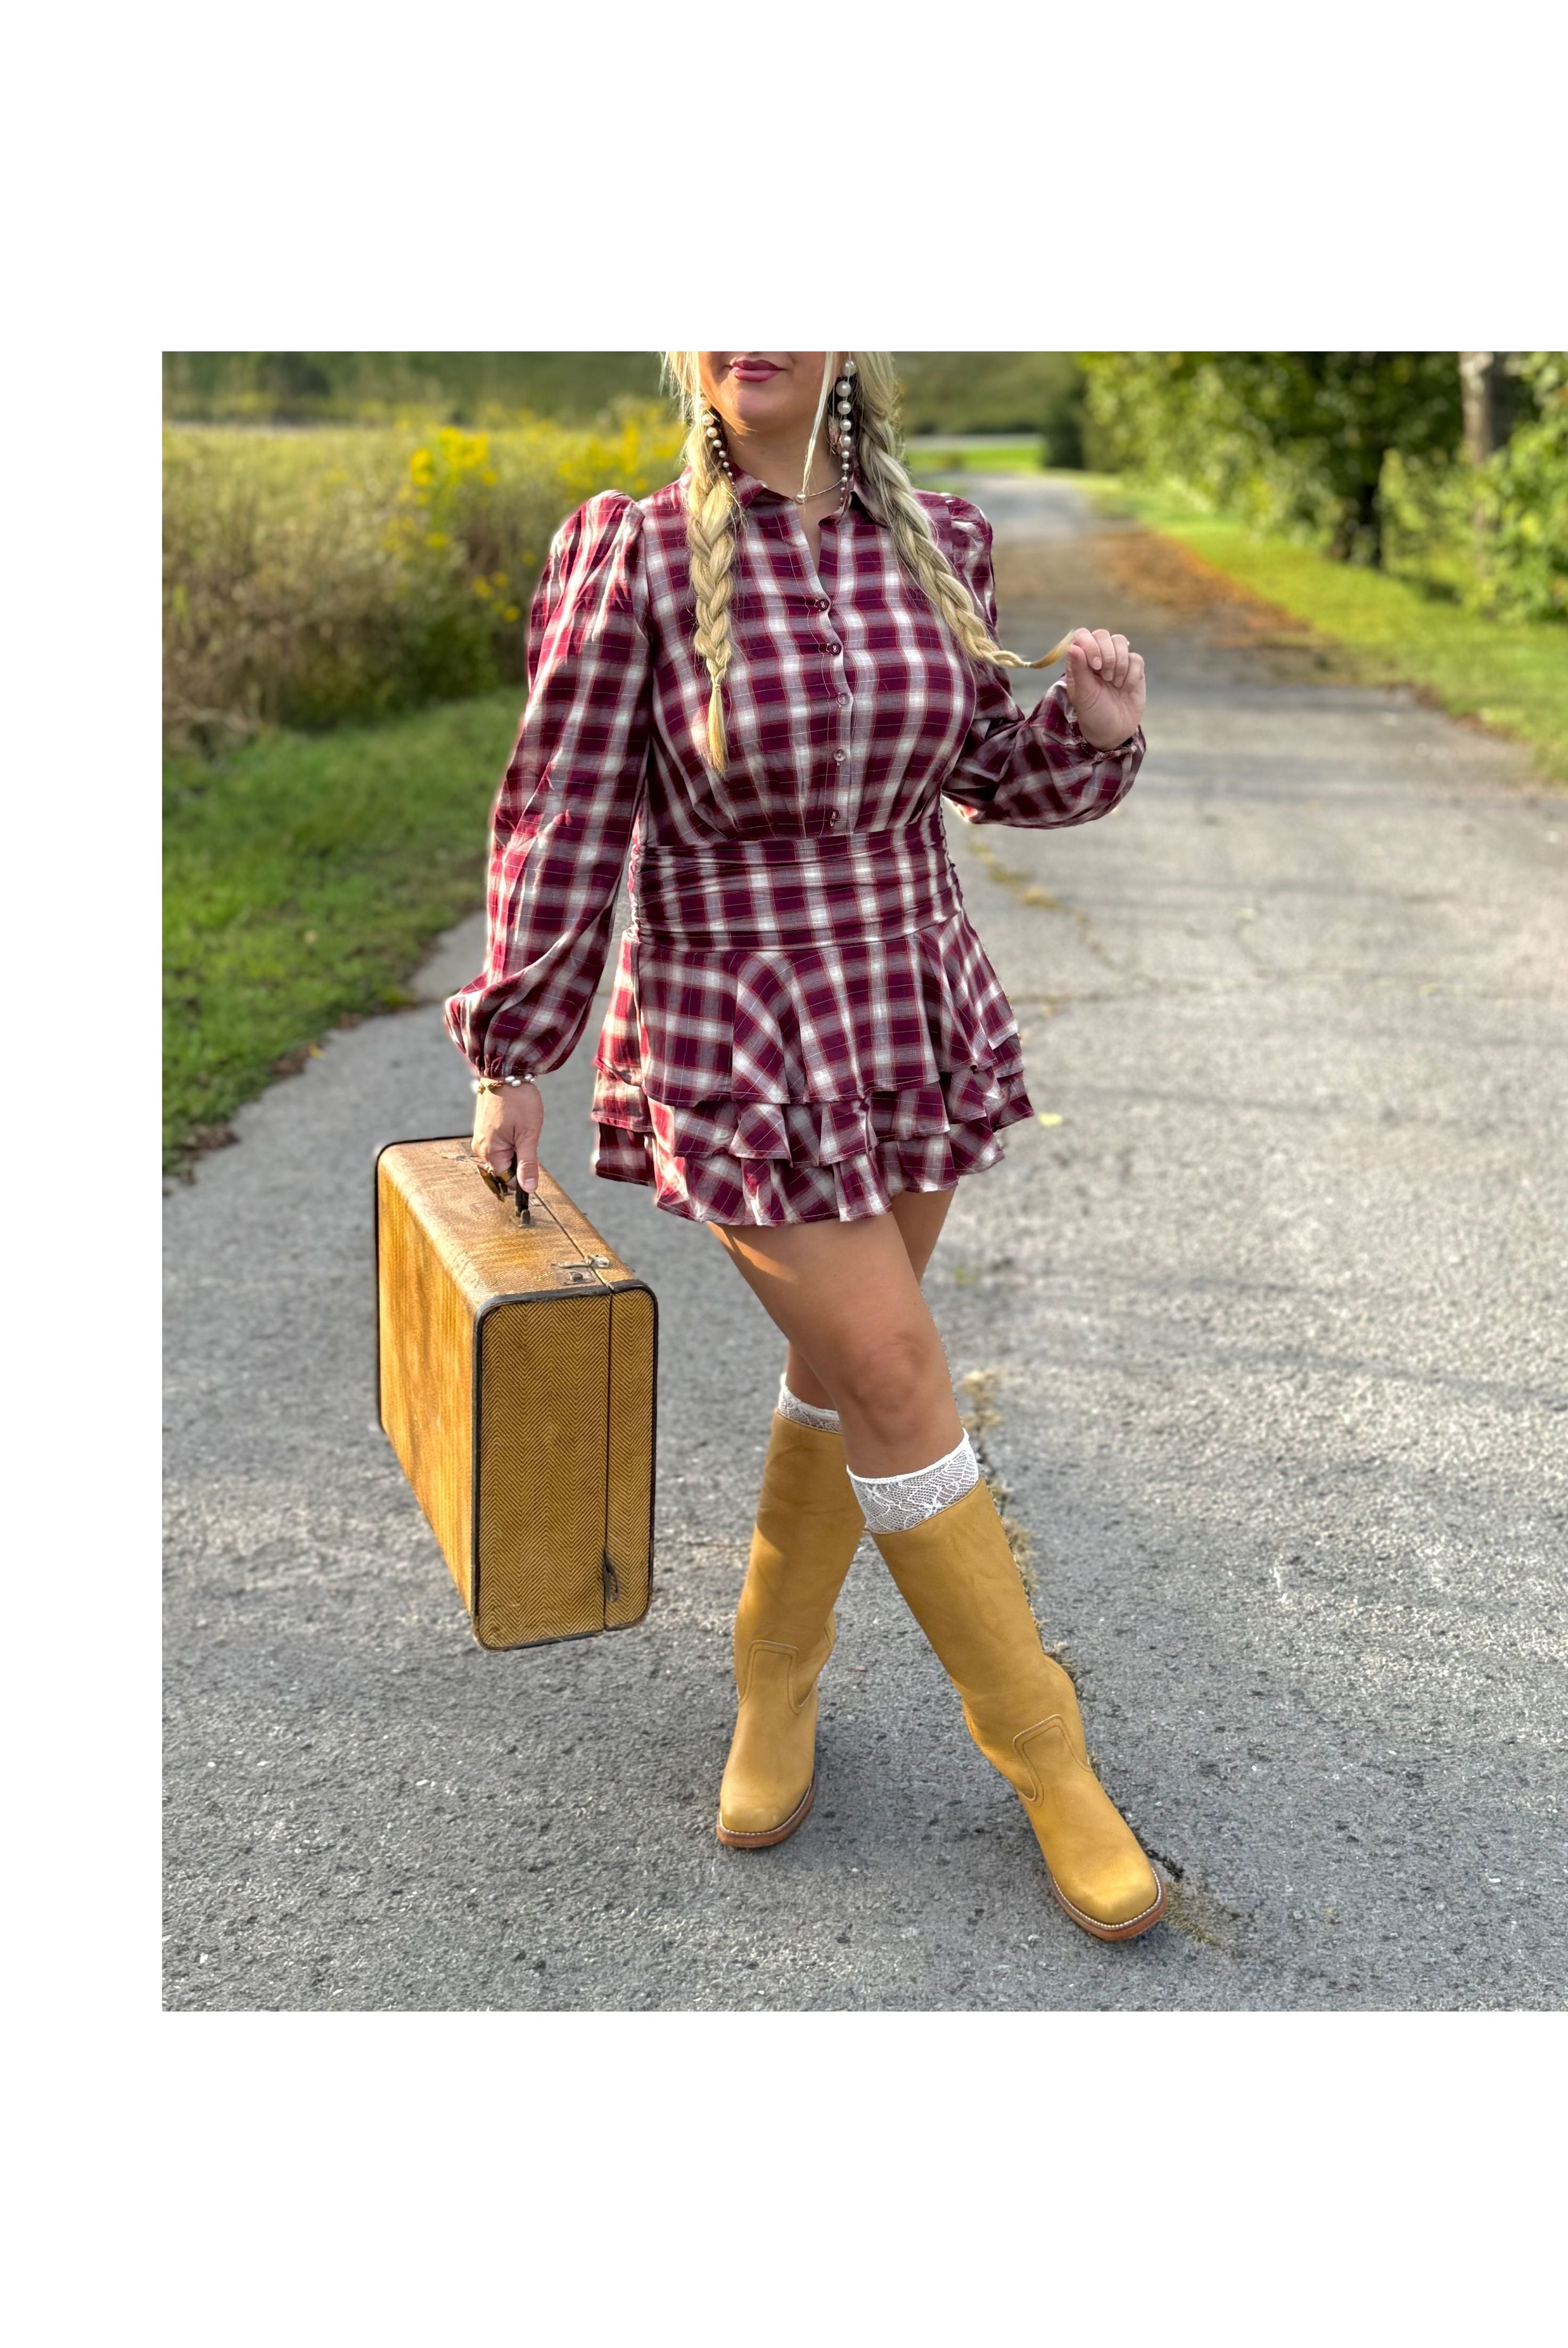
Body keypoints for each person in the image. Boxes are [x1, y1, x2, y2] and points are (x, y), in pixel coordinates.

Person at [447, 352, 1164, 1941]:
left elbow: (982, 770)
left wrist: (1090, 731)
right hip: (742, 1033)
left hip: (906, 1006)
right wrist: (515, 1051)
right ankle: (1051, 1760)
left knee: (853, 1377)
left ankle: (774, 1672)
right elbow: (560, 813)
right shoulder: (627, 554)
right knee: (901, 1375)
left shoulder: (942, 545)